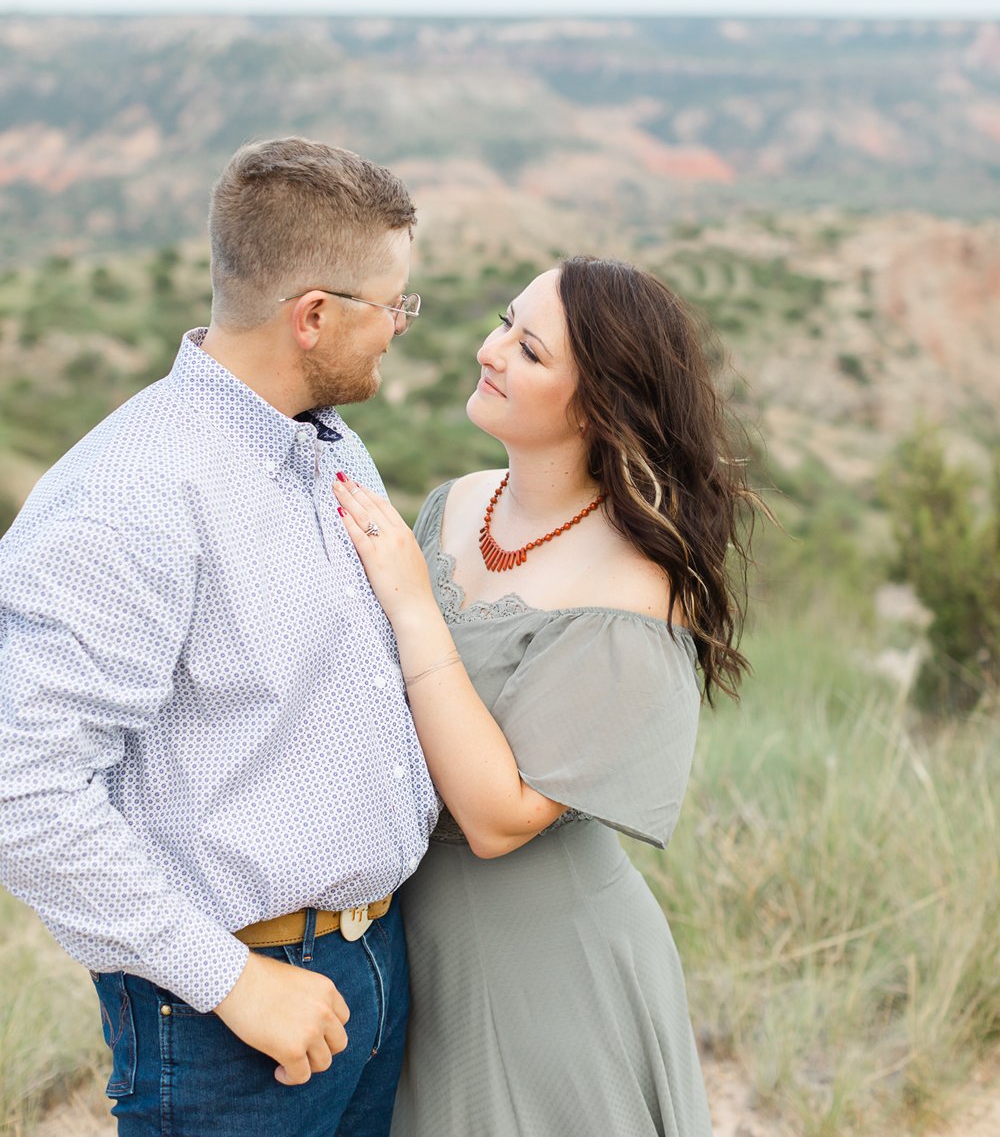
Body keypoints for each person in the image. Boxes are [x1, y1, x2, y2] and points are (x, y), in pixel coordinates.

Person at [0, 138, 439, 1137]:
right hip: (227, 1017)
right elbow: (18, 790)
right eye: (393, 305)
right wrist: (233, 980)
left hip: (370, 976)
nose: (400, 330)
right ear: (314, 316)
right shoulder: (130, 496)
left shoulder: (330, 441)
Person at [334, 256, 759, 1137]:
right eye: (504, 322)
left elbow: (498, 817)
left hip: (548, 972)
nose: (490, 352)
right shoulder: (452, 507)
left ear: (598, 405)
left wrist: (413, 604)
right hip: (407, 954)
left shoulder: (635, 588)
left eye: (529, 350)